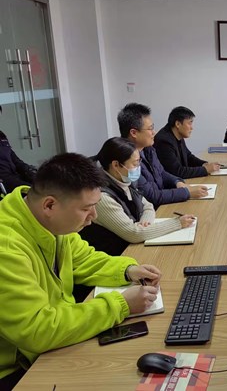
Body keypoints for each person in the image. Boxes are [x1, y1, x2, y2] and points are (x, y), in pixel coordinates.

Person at [0, 153, 161, 390]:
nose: (93, 217)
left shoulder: (48, 223)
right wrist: (121, 305)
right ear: (49, 205)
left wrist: (128, 270)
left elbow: (84, 259)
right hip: (15, 369)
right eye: (87, 208)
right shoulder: (7, 247)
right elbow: (36, 330)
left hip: (46, 345)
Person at [80, 137, 196, 255]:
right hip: (117, 255)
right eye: (135, 163)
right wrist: (177, 223)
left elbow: (148, 205)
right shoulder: (101, 197)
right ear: (116, 165)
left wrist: (145, 223)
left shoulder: (124, 180)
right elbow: (133, 234)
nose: (138, 167)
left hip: (133, 247)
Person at [118, 103, 208, 208]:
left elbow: (161, 172)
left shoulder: (148, 149)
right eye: (150, 129)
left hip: (162, 203)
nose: (154, 132)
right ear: (134, 133)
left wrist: (177, 182)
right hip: (152, 210)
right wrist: (187, 192)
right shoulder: (127, 161)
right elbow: (152, 196)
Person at [154, 106, 220, 179]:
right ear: (178, 124)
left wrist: (204, 164)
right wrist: (205, 170)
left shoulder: (177, 134)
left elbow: (188, 157)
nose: (192, 128)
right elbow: (177, 172)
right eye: (189, 123)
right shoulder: (164, 142)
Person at [0, 106, 37, 193]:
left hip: (15, 175)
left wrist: (28, 170)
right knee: (37, 192)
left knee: (47, 183)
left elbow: (14, 158)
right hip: (4, 181)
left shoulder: (1, 135)